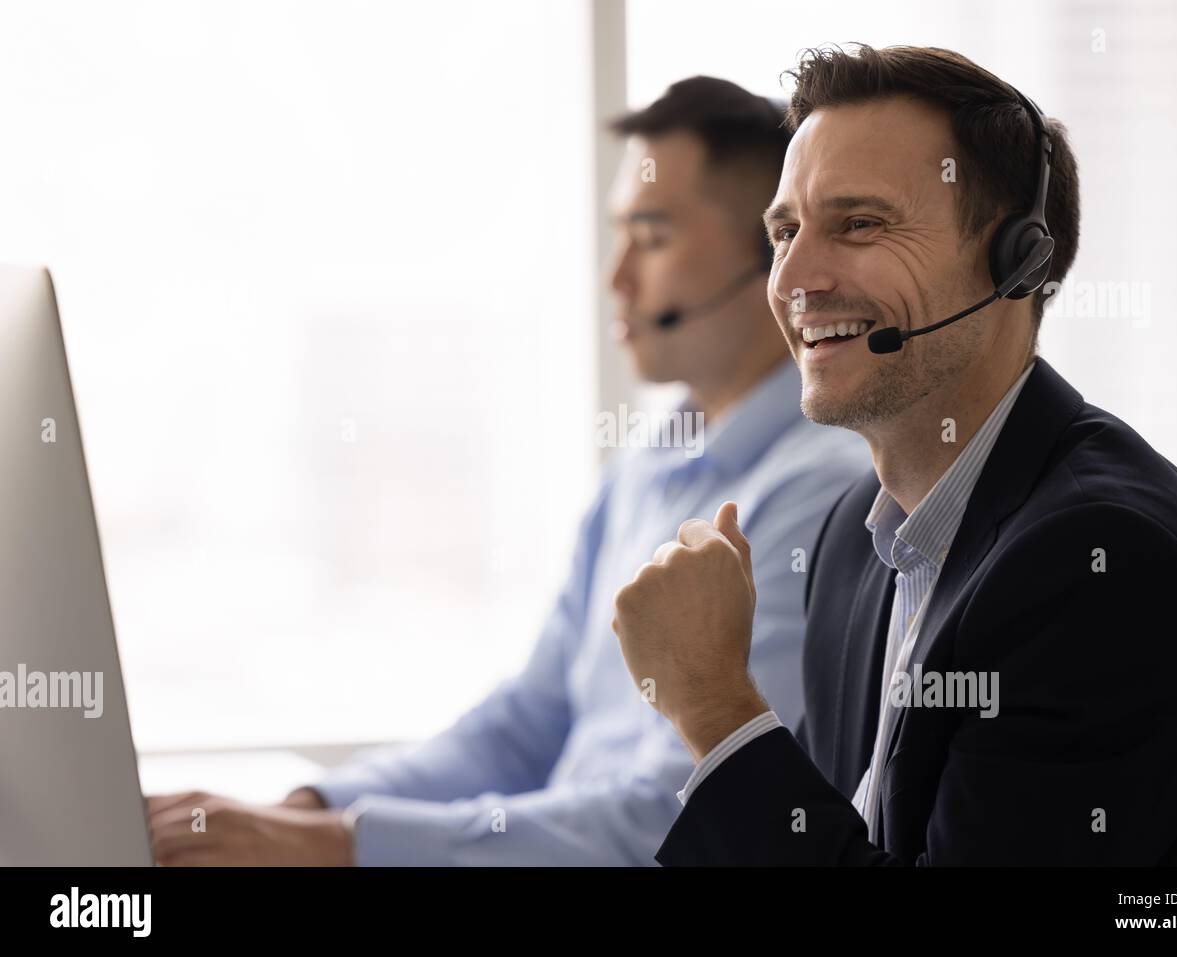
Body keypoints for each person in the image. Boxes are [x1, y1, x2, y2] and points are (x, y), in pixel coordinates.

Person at [147, 76, 871, 866]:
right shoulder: (644, 469)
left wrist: (340, 846)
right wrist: (303, 810)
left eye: (652, 236)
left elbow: (677, 819)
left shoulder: (821, 493)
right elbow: (526, 724)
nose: (617, 279)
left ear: (770, 257)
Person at [611, 45, 1177, 865]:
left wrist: (712, 704)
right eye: (785, 232)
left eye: (859, 224)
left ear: (1017, 261)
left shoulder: (1098, 562)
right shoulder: (855, 541)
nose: (794, 279)